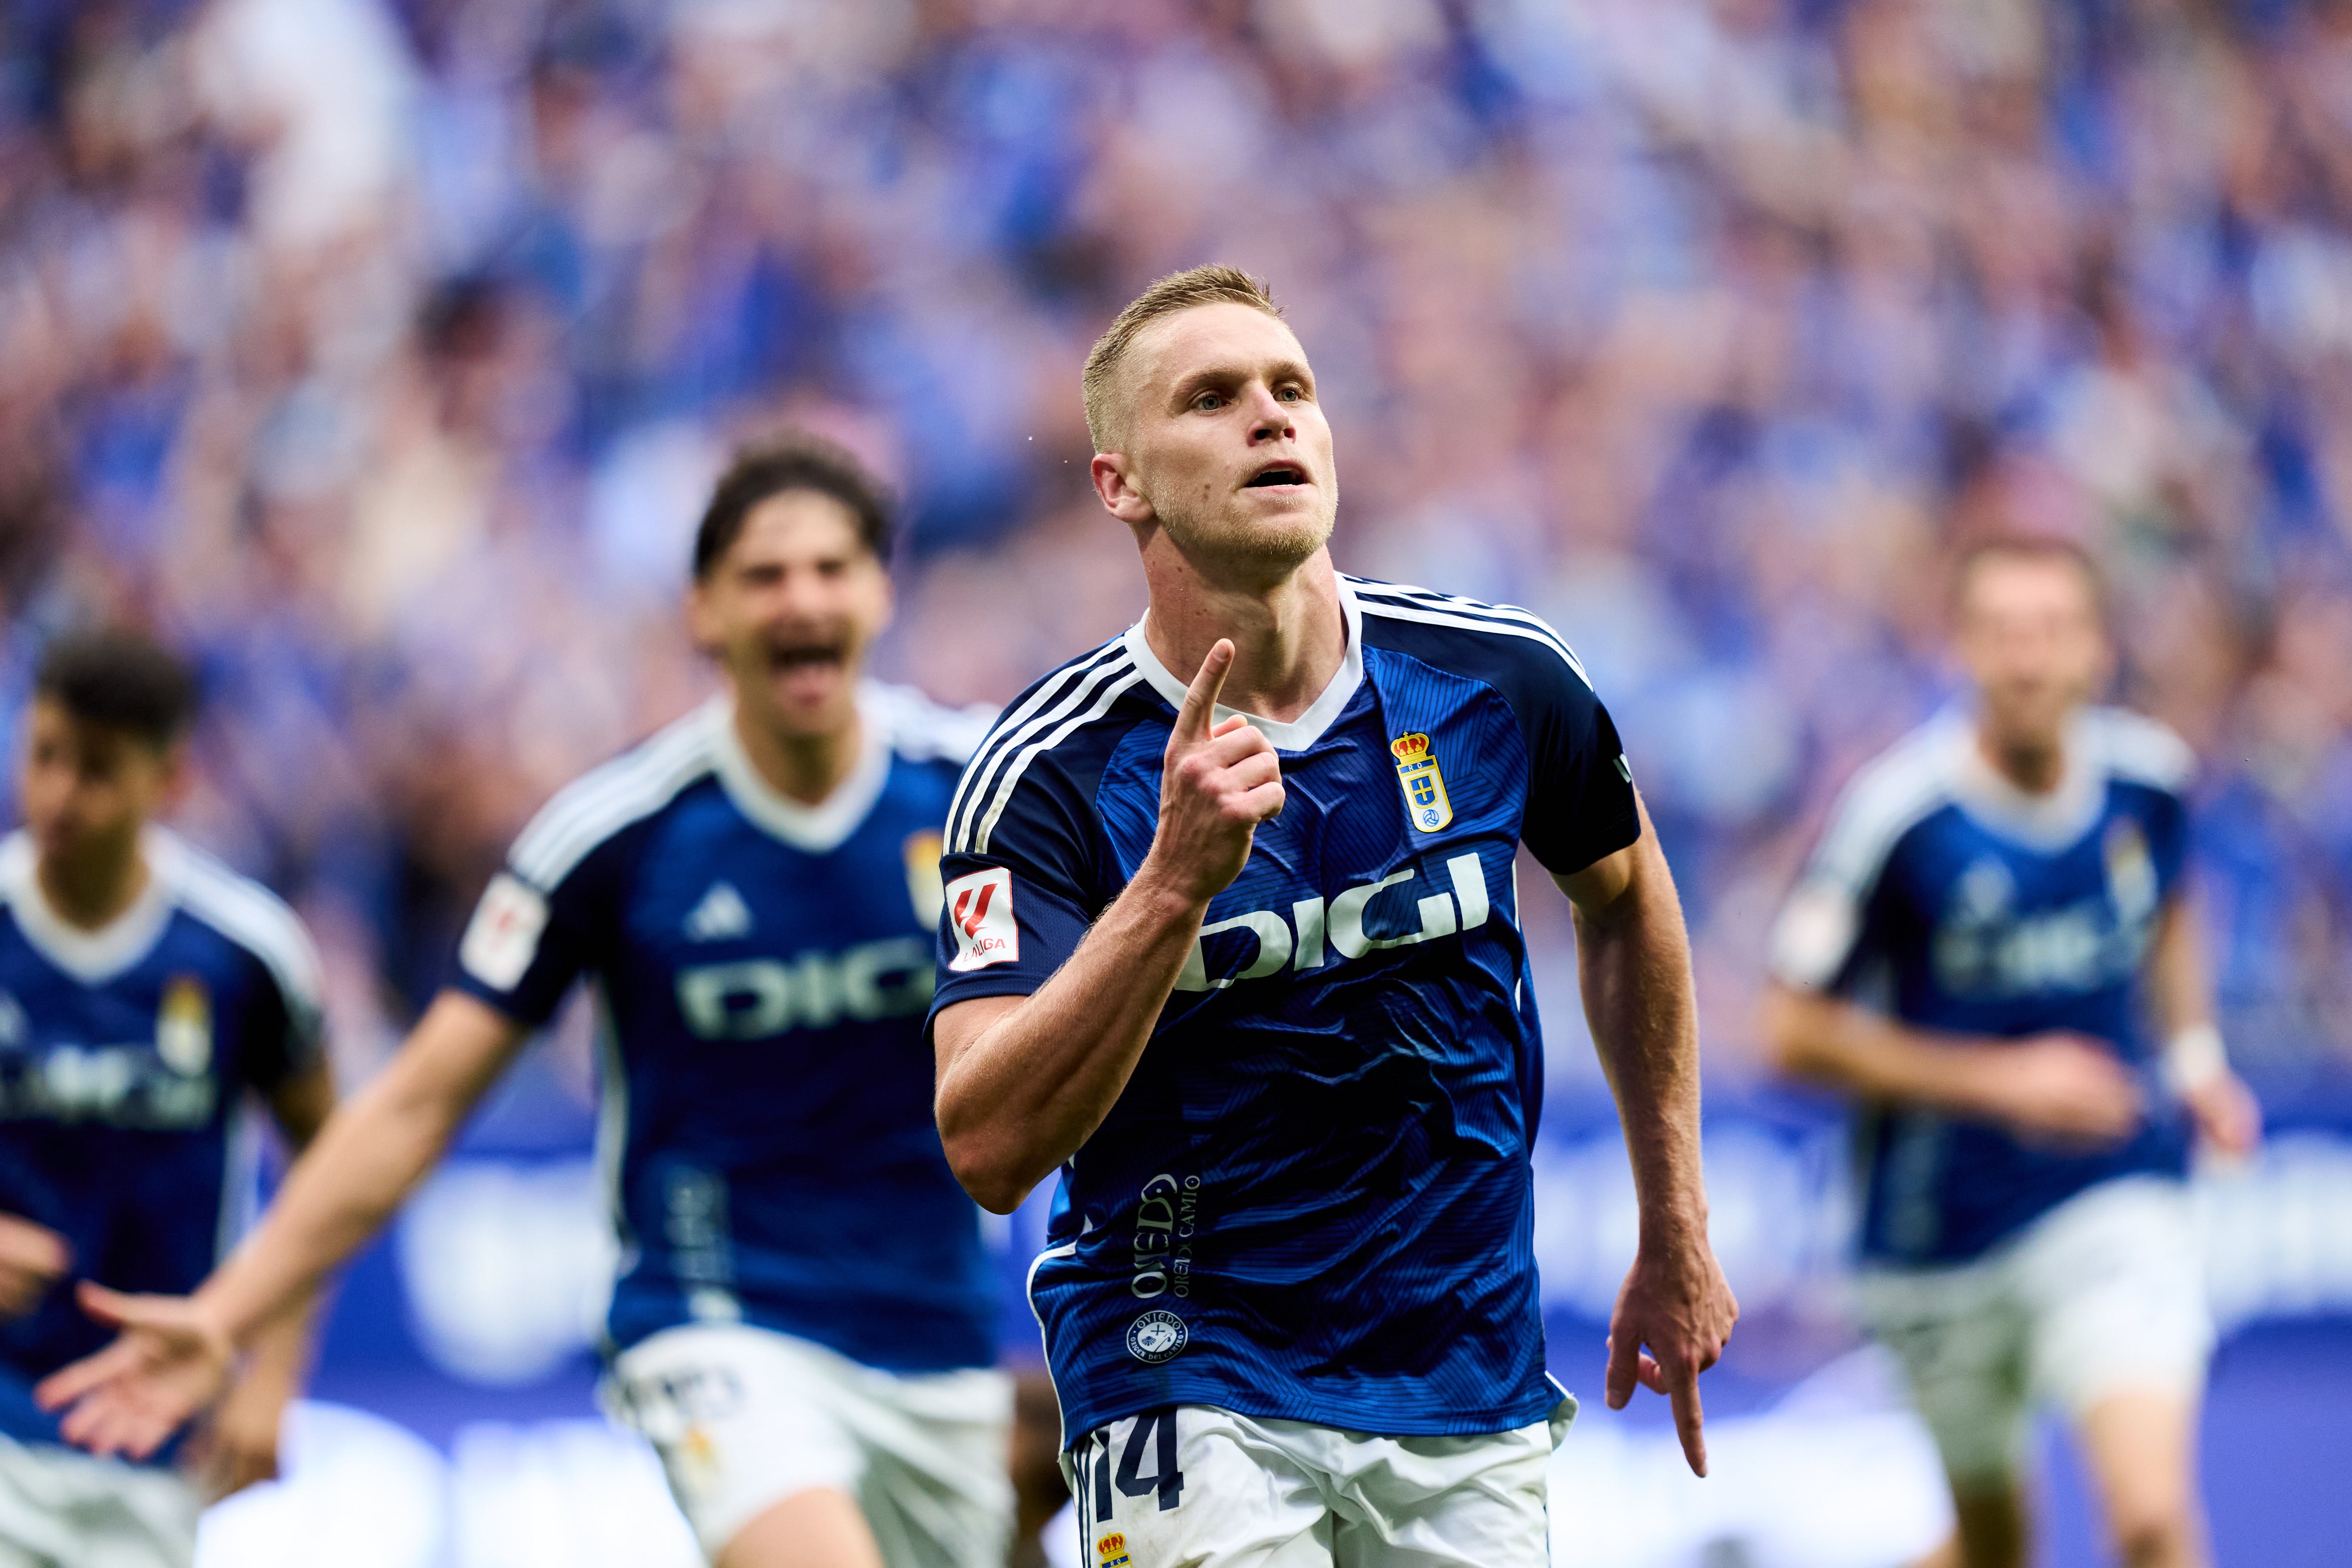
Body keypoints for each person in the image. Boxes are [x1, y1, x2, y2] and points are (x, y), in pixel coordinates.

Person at [38, 438, 1061, 1568]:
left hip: (939, 1337)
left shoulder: (981, 794)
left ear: (880, 591)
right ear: (703, 612)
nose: (801, 600)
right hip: (719, 1325)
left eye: (831, 569)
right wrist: (235, 1314)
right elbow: (419, 1100)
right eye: (765, 576)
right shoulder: (619, 832)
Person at [928, 264, 1739, 1566]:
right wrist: (1172, 886)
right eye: (1212, 397)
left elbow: (1630, 896)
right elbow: (984, 1140)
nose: (1270, 417)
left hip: (1461, 1361)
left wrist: (1676, 1217)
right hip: (1185, 1361)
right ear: (1119, 481)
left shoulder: (1501, 682)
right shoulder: (1049, 770)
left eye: (1291, 387)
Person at [1759, 538, 2261, 1568]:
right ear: (1964, 650)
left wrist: (2196, 1059)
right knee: (1995, 1548)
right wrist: (1999, 1082)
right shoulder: (1898, 816)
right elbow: (1788, 1026)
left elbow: (2170, 904)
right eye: (2002, 634)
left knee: (2151, 1517)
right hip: (1937, 1233)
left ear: (2097, 650)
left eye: (2051, 632)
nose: (2027, 661)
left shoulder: (2149, 784)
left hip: (2112, 1194)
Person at [0, 629, 334, 1568]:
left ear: (170, 781)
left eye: (98, 769)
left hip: (146, 1423)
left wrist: (273, 1373)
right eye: (46, 755)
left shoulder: (243, 953)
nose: (60, 794)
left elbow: (331, 1163)